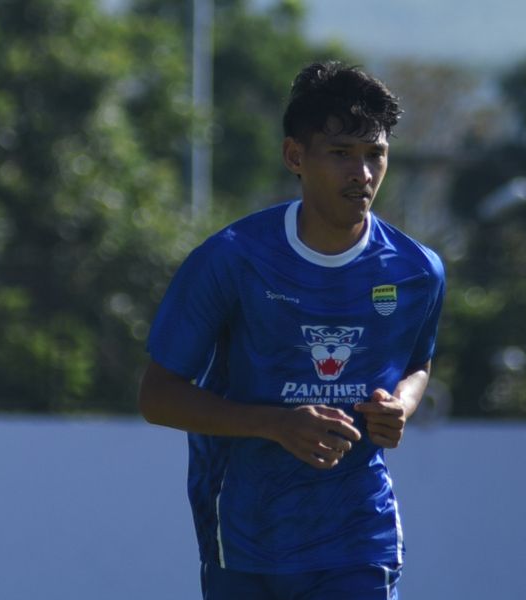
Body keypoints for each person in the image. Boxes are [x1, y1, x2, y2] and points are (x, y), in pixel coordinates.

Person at [139, 61, 445, 599]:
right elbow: (157, 397)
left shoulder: (417, 270)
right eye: (341, 153)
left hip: (358, 539)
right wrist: (277, 425)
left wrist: (402, 403)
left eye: (375, 154)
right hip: (245, 536)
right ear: (294, 157)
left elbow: (419, 364)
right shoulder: (231, 260)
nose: (363, 173)